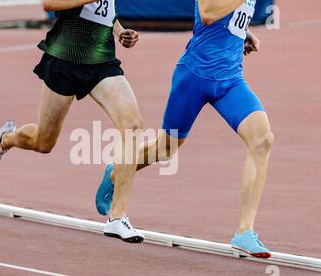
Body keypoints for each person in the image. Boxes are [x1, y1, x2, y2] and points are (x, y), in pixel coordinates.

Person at [96, 0, 274, 258]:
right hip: (193, 76)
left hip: (230, 80)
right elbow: (208, 13)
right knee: (166, 149)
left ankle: (244, 232)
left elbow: (226, 19)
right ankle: (116, 173)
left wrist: (242, 32)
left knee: (262, 140)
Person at [0, 0, 145, 243]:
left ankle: (117, 217)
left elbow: (106, 12)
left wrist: (119, 31)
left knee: (133, 125)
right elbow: (49, 4)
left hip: (101, 60)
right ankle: (7, 138)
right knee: (44, 142)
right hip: (65, 57)